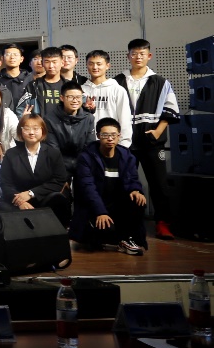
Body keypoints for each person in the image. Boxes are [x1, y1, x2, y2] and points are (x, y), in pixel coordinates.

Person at [115, 38, 181, 239]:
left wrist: (158, 131)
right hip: (126, 141)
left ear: (149, 56)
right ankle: (125, 223)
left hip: (152, 141)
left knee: (159, 184)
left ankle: (163, 223)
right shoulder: (118, 81)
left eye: (142, 54)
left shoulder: (160, 82)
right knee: (124, 182)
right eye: (134, 53)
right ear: (128, 56)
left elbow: (170, 108)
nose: (138, 57)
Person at [69, 118, 147, 255]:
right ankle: (103, 236)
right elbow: (88, 188)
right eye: (105, 135)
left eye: (113, 135)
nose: (110, 139)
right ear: (98, 136)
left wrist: (135, 190)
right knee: (95, 241)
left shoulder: (126, 156)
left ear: (119, 136)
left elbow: (132, 178)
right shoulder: (86, 157)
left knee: (138, 199)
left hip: (117, 205)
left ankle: (127, 239)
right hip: (94, 207)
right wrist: (100, 212)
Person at [0, 114, 71, 227]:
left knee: (59, 200)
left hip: (45, 199)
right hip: (18, 200)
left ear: (43, 131)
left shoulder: (53, 153)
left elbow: (59, 180)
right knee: (1, 208)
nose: (31, 132)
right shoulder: (11, 154)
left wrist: (31, 193)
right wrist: (20, 201)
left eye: (36, 128)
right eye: (27, 128)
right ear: (20, 131)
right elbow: (5, 183)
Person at [43, 81, 96, 176]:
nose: (75, 100)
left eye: (78, 97)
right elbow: (53, 149)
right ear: (62, 98)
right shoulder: (49, 119)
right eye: (70, 97)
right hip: (59, 165)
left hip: (83, 164)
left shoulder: (88, 118)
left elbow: (90, 146)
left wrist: (82, 166)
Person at [82, 50, 132, 149]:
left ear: (107, 66)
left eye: (99, 64)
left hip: (111, 143)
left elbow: (124, 119)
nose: (95, 67)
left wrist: (123, 145)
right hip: (86, 145)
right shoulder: (81, 90)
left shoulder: (117, 90)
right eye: (91, 64)